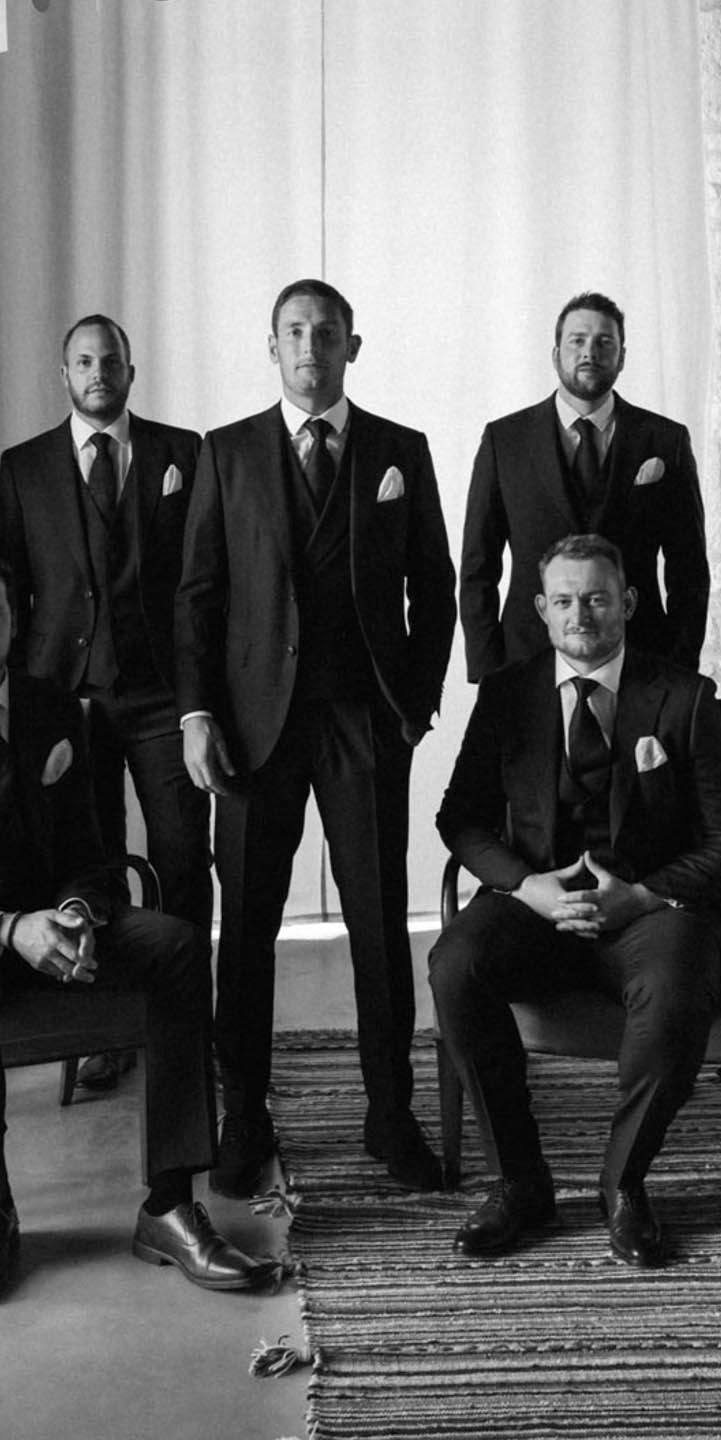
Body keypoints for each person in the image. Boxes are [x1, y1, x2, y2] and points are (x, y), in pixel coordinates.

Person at [0, 550, 273, 1302]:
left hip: (47, 919)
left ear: (15, 621)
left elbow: (92, 855)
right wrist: (13, 930)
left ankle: (169, 1204)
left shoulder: (57, 714)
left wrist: (75, 913)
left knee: (174, 945)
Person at [175, 278, 457, 1196]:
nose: (310, 346)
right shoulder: (225, 454)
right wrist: (197, 714)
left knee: (379, 923)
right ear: (271, 347)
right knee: (246, 926)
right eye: (294, 332)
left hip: (362, 722)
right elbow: (198, 598)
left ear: (353, 346)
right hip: (253, 728)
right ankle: (244, 1115)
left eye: (326, 333)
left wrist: (410, 706)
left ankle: (390, 1113)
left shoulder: (398, 452)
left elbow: (435, 584)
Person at [430, 534, 721, 1267]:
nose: (582, 613)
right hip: (535, 905)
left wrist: (642, 894)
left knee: (676, 986)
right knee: (455, 964)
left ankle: (623, 1184)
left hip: (650, 912)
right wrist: (526, 887)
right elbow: (460, 817)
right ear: (542, 610)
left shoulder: (685, 697)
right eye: (566, 600)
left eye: (598, 597)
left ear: (628, 604)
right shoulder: (507, 695)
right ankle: (520, 1181)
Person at [0, 315, 211, 1093]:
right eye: (82, 361)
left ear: (130, 369)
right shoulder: (21, 468)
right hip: (64, 700)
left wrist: (201, 700)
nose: (97, 372)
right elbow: (6, 592)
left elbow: (203, 580)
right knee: (91, 869)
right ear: (63, 373)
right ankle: (111, 1027)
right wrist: (22, 704)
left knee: (184, 855)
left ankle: (188, 1021)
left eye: (109, 359)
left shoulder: (183, 453)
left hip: (160, 696)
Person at [459, 292, 709, 680]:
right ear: (556, 353)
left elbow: (688, 568)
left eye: (604, 342)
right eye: (577, 340)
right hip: (527, 660)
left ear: (622, 357)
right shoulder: (504, 440)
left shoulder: (665, 441)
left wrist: (678, 665)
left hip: (641, 657)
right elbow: (478, 565)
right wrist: (488, 670)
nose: (589, 352)